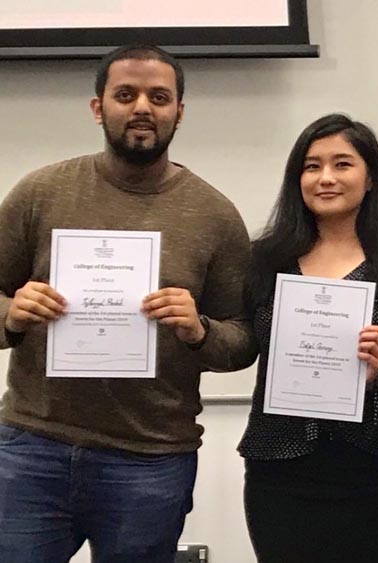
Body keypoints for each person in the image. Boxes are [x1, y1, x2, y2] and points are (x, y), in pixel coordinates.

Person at [0, 45, 255, 562]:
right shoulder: (39, 193)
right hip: (33, 449)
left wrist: (200, 331)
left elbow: (244, 339)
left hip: (151, 460)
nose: (142, 107)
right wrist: (10, 314)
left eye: (159, 97)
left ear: (179, 112)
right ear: (99, 108)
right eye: (125, 94)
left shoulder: (215, 215)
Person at [238, 113, 378, 563]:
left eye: (343, 164)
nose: (326, 178)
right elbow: (238, 343)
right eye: (312, 166)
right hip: (277, 465)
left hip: (371, 467)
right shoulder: (262, 261)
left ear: (370, 177)